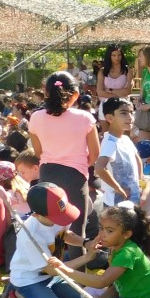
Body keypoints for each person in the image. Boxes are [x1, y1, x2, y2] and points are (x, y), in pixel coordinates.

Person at [50, 203, 150, 298]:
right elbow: (116, 287)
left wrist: (65, 270)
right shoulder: (116, 249)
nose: (102, 234)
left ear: (126, 234)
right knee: (88, 291)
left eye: (109, 231)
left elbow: (102, 281)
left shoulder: (127, 253)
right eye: (101, 228)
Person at [27, 72, 100, 257]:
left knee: (49, 228)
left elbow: (38, 151)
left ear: (47, 92)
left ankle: (52, 270)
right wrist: (81, 164)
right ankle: (79, 281)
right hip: (75, 176)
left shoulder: (35, 117)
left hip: (47, 174)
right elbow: (95, 154)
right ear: (75, 94)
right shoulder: (84, 118)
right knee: (77, 230)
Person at [8, 183, 95, 298]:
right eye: (58, 216)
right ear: (36, 215)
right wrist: (87, 257)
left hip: (53, 275)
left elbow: (65, 234)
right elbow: (51, 269)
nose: (63, 219)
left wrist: (85, 243)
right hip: (31, 279)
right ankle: (18, 294)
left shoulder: (60, 215)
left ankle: (47, 294)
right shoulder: (30, 235)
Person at [94, 97, 144, 206]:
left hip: (132, 198)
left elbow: (137, 159)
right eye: (124, 113)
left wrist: (140, 182)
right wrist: (118, 188)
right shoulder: (110, 141)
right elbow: (99, 167)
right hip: (116, 203)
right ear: (110, 118)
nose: (130, 117)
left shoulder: (125, 139)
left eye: (131, 112)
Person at [96, 44, 132, 129]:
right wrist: (119, 94)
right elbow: (100, 92)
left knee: (125, 133)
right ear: (109, 56)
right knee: (106, 133)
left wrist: (110, 90)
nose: (117, 58)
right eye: (114, 55)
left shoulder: (128, 71)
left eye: (119, 55)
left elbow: (128, 91)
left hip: (123, 105)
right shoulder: (102, 72)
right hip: (105, 105)